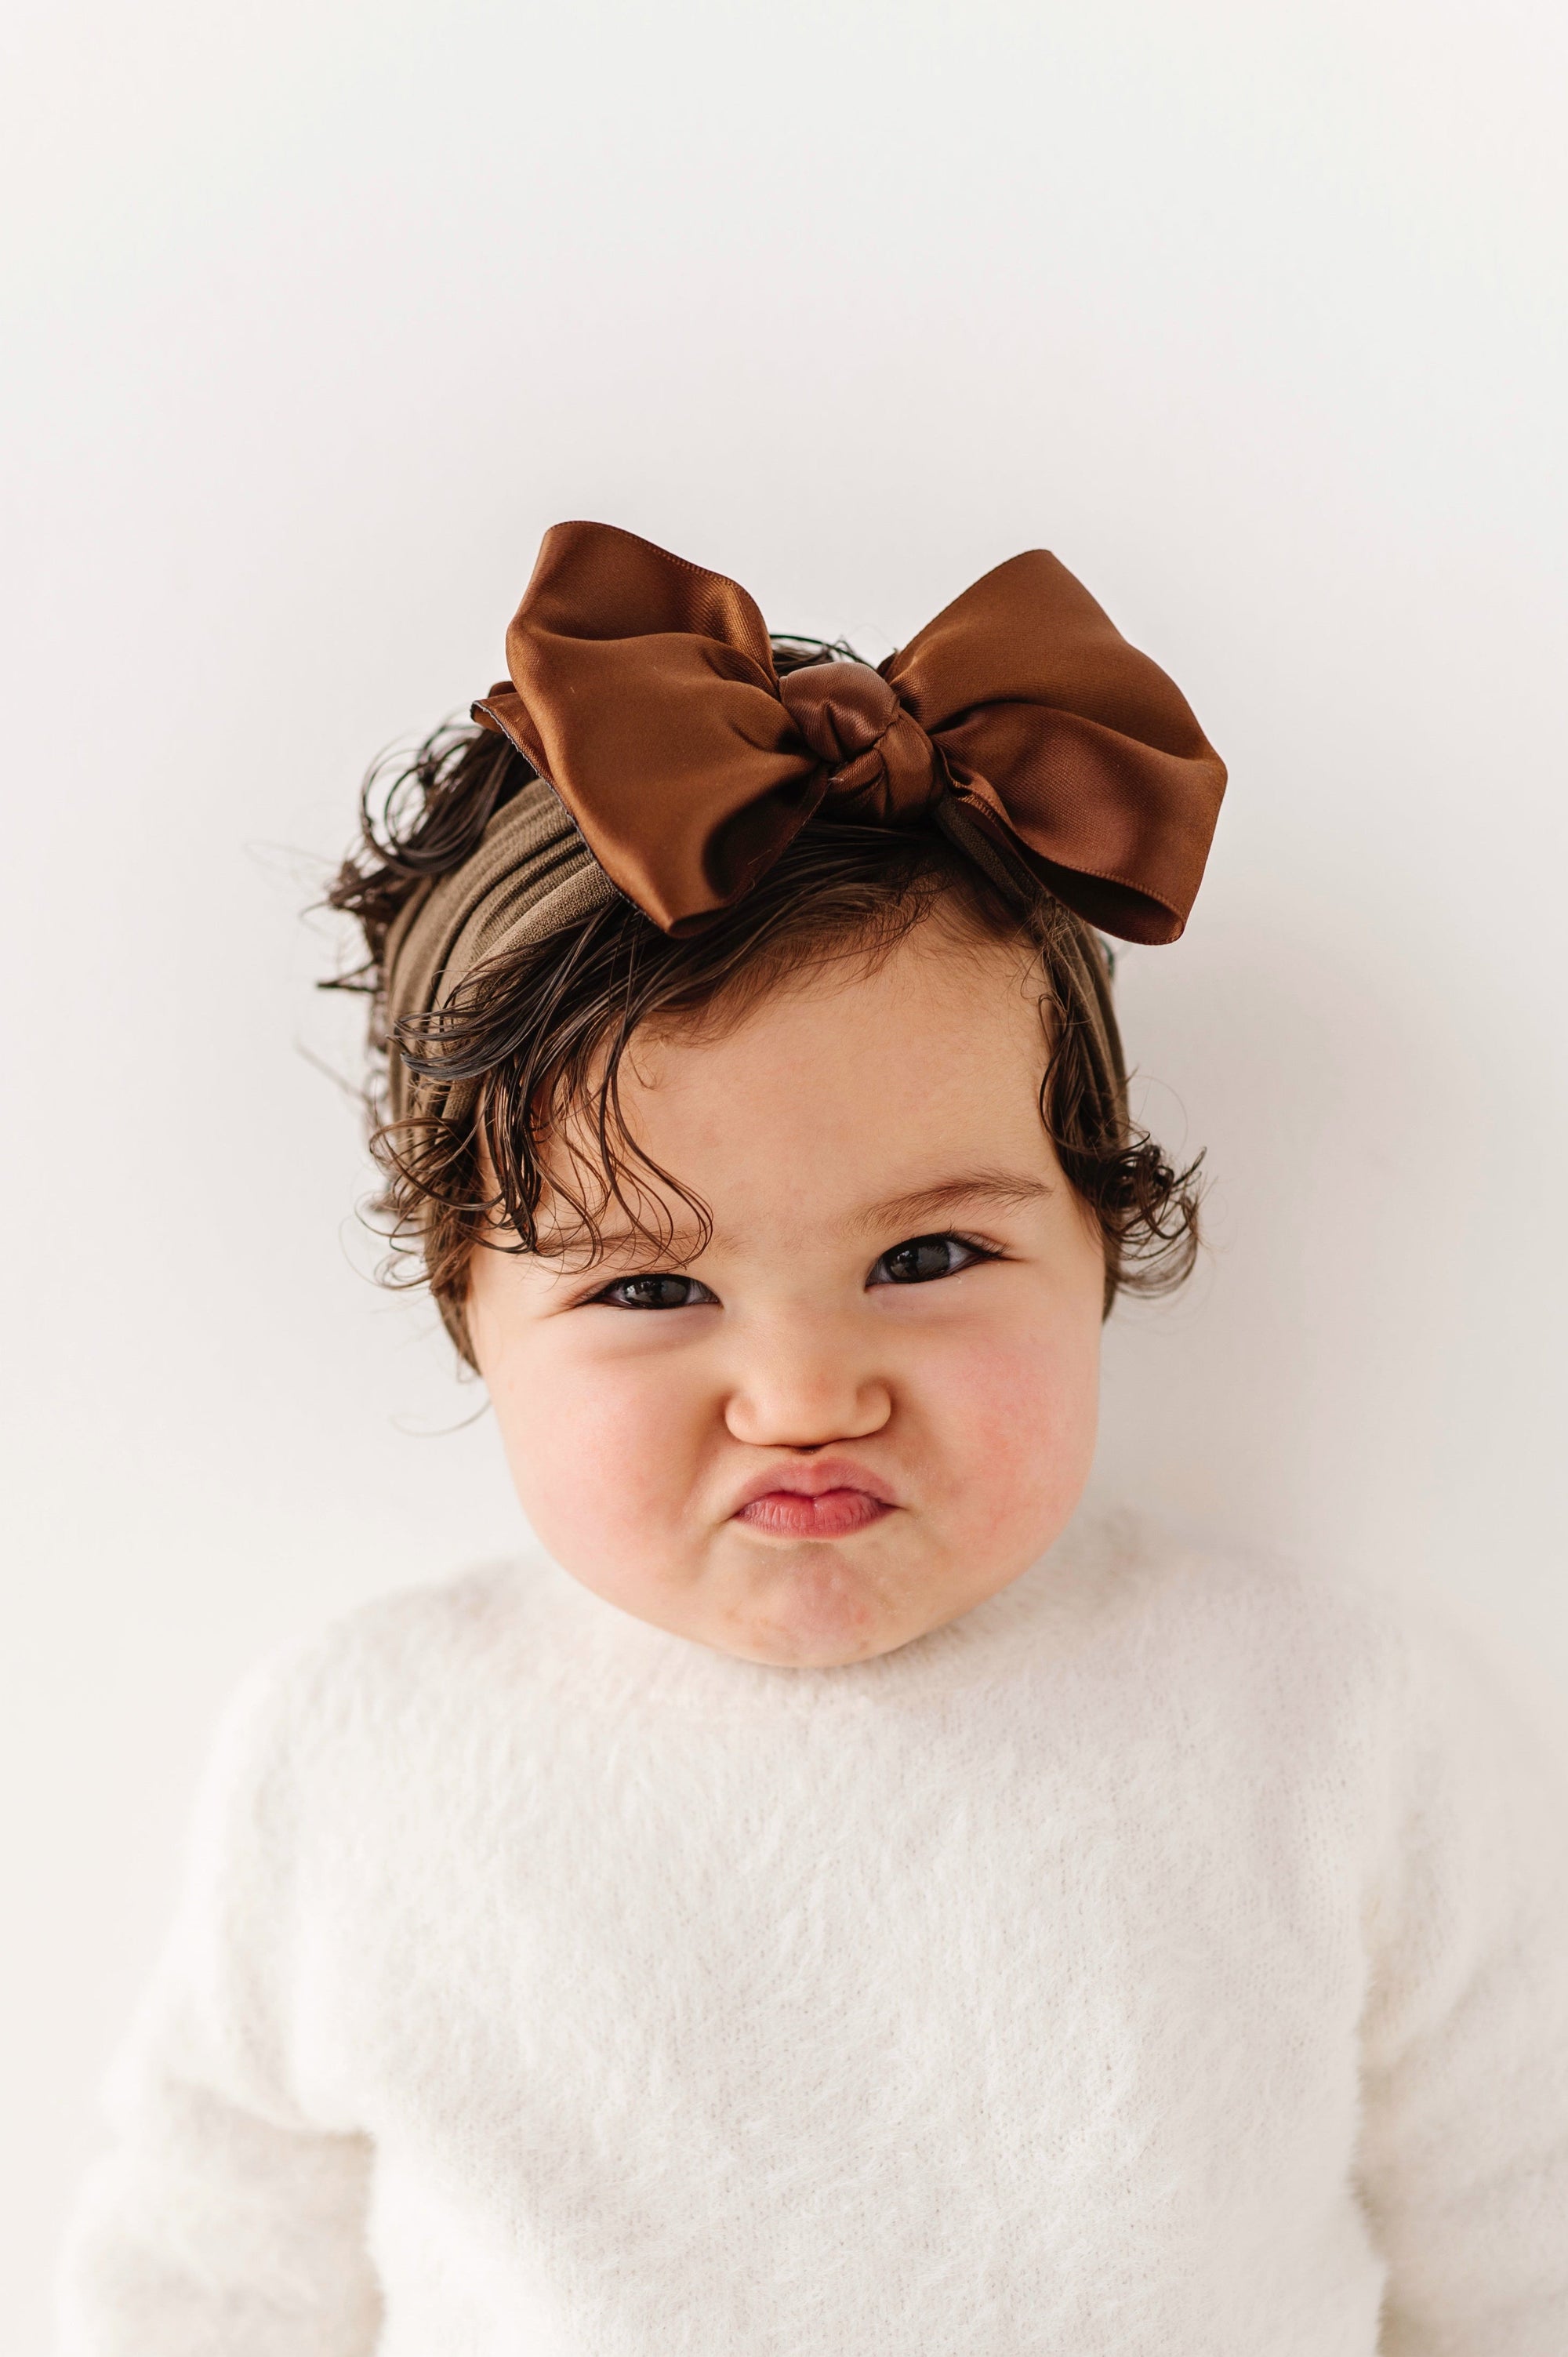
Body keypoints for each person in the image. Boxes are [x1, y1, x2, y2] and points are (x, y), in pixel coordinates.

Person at [58, 524, 1568, 2353]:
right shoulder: (360, 1753)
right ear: (472, 1307)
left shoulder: (1339, 1730)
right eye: (644, 1292)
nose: (800, 1396)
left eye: (925, 1257)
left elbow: (1514, 2272)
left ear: (1102, 1239)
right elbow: (197, 2295)